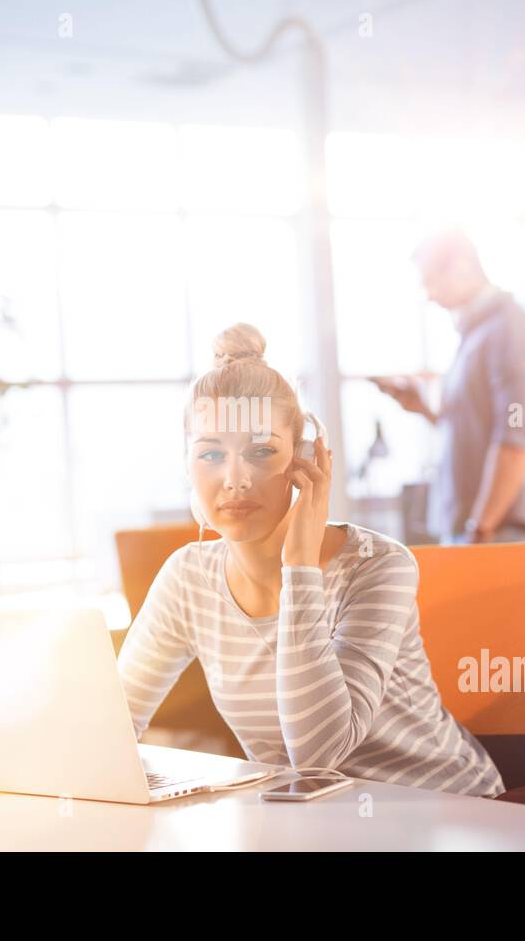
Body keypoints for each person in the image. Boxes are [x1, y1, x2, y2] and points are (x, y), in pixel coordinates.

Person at [116, 323, 503, 796]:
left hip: (449, 812)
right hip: (316, 825)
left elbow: (318, 755)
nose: (234, 479)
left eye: (261, 451)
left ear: (305, 459)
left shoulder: (378, 567)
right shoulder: (188, 578)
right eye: (211, 453)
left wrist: (299, 564)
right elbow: (112, 725)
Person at [374, 229, 525, 543]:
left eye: (431, 280)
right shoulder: (477, 336)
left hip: (502, 536)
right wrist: (423, 411)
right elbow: (476, 429)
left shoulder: (510, 333)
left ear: (461, 267)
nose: (428, 294)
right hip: (477, 532)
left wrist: (481, 528)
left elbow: (517, 436)